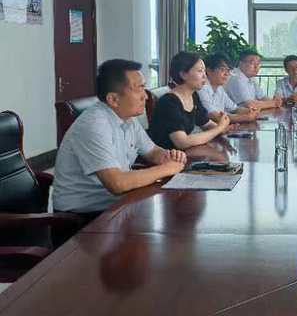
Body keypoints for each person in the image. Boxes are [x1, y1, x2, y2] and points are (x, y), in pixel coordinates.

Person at [52, 59, 186, 219]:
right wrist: (167, 169)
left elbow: (152, 151)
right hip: (83, 217)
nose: (146, 96)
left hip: (116, 205)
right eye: (139, 89)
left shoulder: (127, 118)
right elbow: (117, 184)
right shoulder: (94, 124)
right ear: (113, 99)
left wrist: (169, 157)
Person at [148, 51, 230, 152]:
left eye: (204, 71)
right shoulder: (169, 102)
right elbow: (182, 142)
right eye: (200, 71)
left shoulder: (193, 96)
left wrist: (224, 126)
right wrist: (219, 128)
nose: (205, 76)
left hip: (182, 155)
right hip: (163, 157)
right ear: (183, 74)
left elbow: (206, 124)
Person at [198, 52, 260, 123]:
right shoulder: (202, 88)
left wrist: (250, 111)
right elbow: (214, 116)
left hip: (221, 126)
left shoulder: (219, 88)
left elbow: (234, 109)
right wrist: (245, 117)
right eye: (222, 70)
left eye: (228, 70)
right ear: (209, 71)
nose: (227, 74)